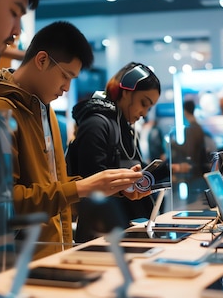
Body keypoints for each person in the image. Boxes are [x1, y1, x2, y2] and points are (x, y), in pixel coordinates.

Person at [0, 22, 144, 258]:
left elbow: (55, 187)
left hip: (54, 255)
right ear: (41, 60)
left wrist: (115, 187)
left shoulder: (46, 111)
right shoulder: (1, 112)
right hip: (20, 265)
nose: (66, 87)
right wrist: (81, 187)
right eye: (66, 76)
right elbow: (5, 203)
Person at [67, 62, 161, 243]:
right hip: (100, 232)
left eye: (149, 108)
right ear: (125, 92)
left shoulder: (125, 128)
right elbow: (90, 186)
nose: (144, 113)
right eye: (143, 103)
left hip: (125, 228)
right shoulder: (96, 124)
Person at [170, 100, 208, 205]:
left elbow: (188, 151)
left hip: (194, 172)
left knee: (193, 204)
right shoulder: (198, 127)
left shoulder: (191, 129)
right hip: (199, 171)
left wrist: (173, 144)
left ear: (185, 111)